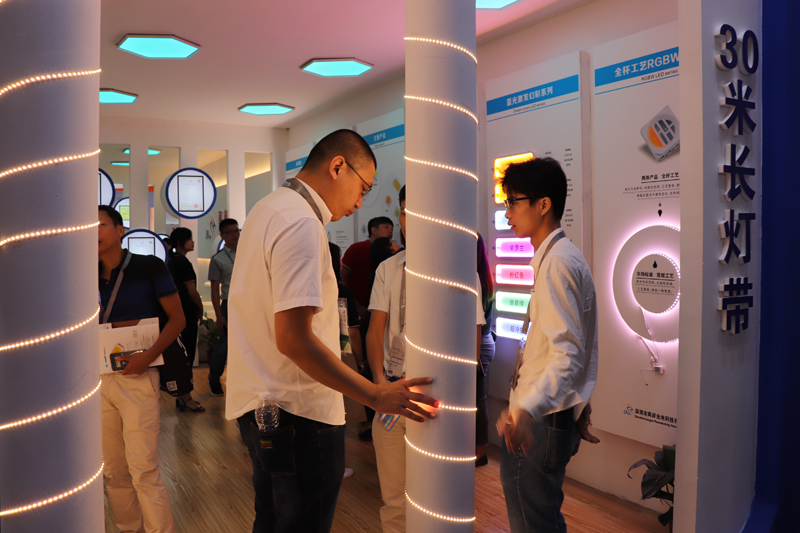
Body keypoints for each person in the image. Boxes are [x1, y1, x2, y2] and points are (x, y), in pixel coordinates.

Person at [225, 129, 438, 533]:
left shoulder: (267, 209)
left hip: (259, 407)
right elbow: (293, 338)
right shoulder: (301, 223)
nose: (359, 203)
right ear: (338, 166)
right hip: (300, 413)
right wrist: (374, 394)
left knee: (270, 521)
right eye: (363, 189)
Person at [365, 185, 485, 533]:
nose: (408, 220)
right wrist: (380, 386)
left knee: (440, 499)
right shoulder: (388, 268)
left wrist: (460, 395)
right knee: (394, 500)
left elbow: (473, 338)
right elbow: (375, 331)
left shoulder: (462, 271)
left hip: (439, 402)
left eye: (416, 211)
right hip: (393, 395)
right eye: (404, 212)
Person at [496, 157, 599, 533]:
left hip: (538, 419)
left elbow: (568, 354)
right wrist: (578, 403)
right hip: (550, 414)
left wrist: (527, 410)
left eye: (513, 201)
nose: (507, 212)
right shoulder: (562, 257)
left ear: (543, 205)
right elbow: (578, 344)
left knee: (532, 521)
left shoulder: (557, 263)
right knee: (542, 518)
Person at [98, 205, 181, 533]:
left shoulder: (148, 266)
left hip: (139, 375)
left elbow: (178, 319)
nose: (94, 231)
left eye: (101, 224)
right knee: (113, 471)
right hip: (98, 379)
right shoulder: (82, 273)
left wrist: (148, 357)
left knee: (144, 469)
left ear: (120, 230)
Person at [167, 227, 205, 412]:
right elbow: (192, 292)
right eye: (190, 239)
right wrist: (200, 309)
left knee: (180, 355)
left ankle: (181, 396)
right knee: (187, 355)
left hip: (174, 313)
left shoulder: (170, 261)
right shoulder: (183, 263)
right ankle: (186, 398)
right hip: (186, 314)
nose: (193, 242)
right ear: (181, 242)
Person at [207, 218, 239, 396]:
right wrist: (219, 316)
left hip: (249, 303)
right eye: (230, 232)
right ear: (222, 235)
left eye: (236, 231)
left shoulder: (248, 253)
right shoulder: (217, 259)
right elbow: (214, 290)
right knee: (224, 345)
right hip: (229, 305)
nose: (235, 235)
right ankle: (214, 379)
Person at [342, 216, 395, 314]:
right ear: (374, 230)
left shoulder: (391, 253)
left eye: (392, 229)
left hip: (381, 308)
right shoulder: (357, 248)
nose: (390, 231)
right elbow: (341, 276)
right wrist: (355, 305)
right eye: (386, 227)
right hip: (357, 308)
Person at [475, 232, 495, 467]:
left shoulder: (475, 279)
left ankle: (480, 452)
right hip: (483, 343)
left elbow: (476, 326)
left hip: (479, 346)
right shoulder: (484, 276)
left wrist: (475, 355)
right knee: (477, 401)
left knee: (478, 402)